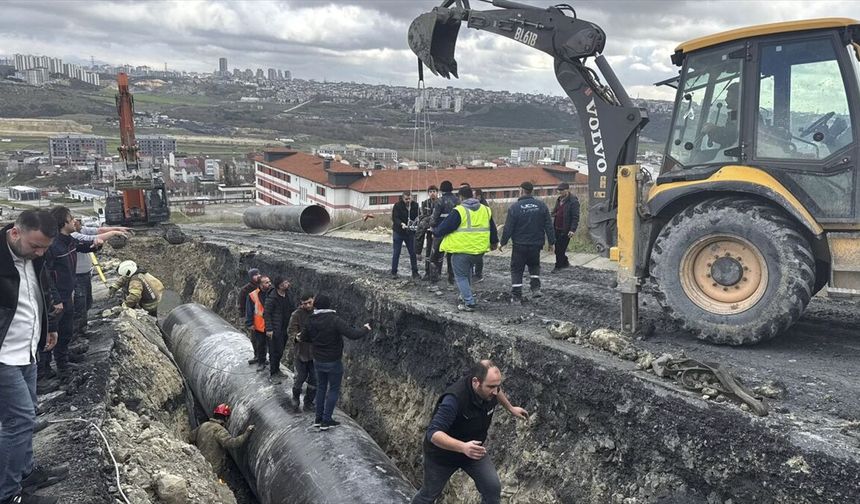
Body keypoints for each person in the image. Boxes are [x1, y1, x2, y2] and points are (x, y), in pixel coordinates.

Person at [1, 209, 66, 504]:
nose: (40, 253)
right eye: (35, 246)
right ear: (16, 233)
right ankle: (8, 494)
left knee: (27, 416)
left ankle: (25, 473)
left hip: (28, 350)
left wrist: (48, 327)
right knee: (19, 420)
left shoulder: (33, 257)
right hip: (4, 357)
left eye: (44, 248)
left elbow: (38, 294)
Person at [411, 360, 528, 504]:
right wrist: (463, 447)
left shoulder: (491, 390)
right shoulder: (454, 399)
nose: (495, 391)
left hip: (473, 451)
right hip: (442, 456)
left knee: (492, 489)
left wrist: (510, 408)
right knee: (428, 495)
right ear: (476, 382)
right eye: (491, 386)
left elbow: (497, 391)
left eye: (498, 386)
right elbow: (433, 434)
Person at [43, 207, 97, 381]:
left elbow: (83, 247)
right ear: (63, 223)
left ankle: (63, 362)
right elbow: (46, 276)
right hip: (56, 299)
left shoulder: (68, 241)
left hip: (68, 294)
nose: (75, 221)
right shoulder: (53, 246)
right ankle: (44, 373)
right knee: (50, 334)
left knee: (66, 331)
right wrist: (56, 299)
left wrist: (96, 245)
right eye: (71, 218)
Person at [303, 295, 371, 430]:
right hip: (333, 361)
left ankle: (318, 419)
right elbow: (353, 334)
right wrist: (366, 328)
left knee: (321, 388)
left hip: (318, 360)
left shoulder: (310, 319)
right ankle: (327, 420)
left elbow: (305, 337)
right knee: (333, 389)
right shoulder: (334, 320)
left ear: (316, 305)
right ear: (329, 305)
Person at [435, 187, 499, 312]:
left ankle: (469, 302)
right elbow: (493, 228)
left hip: (462, 250)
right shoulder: (485, 210)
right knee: (467, 272)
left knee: (460, 276)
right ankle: (465, 296)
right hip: (479, 250)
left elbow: (444, 228)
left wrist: (435, 232)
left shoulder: (459, 211)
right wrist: (494, 242)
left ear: (461, 197)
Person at [71, 219, 130, 339]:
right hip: (76, 276)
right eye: (72, 220)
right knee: (80, 305)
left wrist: (117, 229)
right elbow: (96, 237)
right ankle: (76, 336)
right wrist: (113, 233)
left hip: (85, 274)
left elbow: (99, 230)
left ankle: (82, 329)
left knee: (87, 303)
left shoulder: (80, 229)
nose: (77, 220)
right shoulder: (73, 235)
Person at [499, 181, 555, 304]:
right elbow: (548, 225)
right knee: (534, 265)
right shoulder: (541, 206)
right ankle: (535, 289)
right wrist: (551, 242)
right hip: (536, 244)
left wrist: (502, 242)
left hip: (520, 244)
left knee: (517, 269)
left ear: (521, 190)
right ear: (531, 191)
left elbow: (509, 227)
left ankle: (517, 296)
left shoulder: (514, 208)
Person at [189, 403, 255, 477]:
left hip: (199, 463)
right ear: (226, 418)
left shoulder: (203, 425)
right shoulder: (220, 430)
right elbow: (233, 443)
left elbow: (191, 437)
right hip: (212, 468)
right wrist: (247, 433)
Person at [287, 292, 317, 412]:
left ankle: (308, 402)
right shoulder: (296, 315)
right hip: (301, 353)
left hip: (315, 354)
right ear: (301, 303)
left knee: (314, 379)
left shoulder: (317, 313)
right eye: (305, 304)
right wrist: (297, 337)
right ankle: (295, 398)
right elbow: (291, 332)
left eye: (310, 302)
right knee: (300, 377)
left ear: (313, 300)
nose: (308, 305)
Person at [429, 181, 459, 287]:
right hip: (454, 233)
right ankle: (451, 280)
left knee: (434, 257)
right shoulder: (457, 200)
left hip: (440, 231)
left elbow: (434, 218)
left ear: (441, 190)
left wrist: (432, 228)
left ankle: (434, 280)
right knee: (451, 256)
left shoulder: (439, 201)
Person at [263, 275, 292, 382]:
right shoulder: (272, 298)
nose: (288, 284)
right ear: (280, 286)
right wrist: (269, 329)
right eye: (285, 282)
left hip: (284, 328)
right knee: (274, 351)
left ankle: (277, 369)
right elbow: (266, 314)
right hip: (274, 329)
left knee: (280, 351)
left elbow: (291, 307)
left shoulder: (288, 294)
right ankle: (273, 372)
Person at [551, 182, 580, 273]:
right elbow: (556, 210)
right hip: (556, 227)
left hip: (566, 229)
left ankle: (558, 266)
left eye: (562, 190)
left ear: (567, 190)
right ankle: (565, 262)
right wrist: (553, 214)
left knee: (561, 249)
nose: (560, 192)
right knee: (558, 248)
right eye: (559, 190)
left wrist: (572, 229)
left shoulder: (573, 201)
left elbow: (575, 217)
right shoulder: (559, 199)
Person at [391, 191, 420, 279]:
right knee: (397, 252)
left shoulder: (416, 205)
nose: (408, 201)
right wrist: (401, 224)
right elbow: (395, 218)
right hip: (398, 231)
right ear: (403, 198)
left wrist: (416, 224)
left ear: (412, 198)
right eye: (406, 199)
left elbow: (419, 216)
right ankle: (394, 272)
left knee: (413, 252)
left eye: (409, 199)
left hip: (410, 232)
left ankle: (415, 272)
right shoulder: (397, 205)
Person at [245, 275, 272, 369]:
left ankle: (267, 360)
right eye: (266, 282)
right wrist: (250, 323)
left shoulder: (272, 293)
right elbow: (249, 310)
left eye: (269, 282)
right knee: (260, 344)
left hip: (271, 325)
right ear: (260, 284)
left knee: (271, 345)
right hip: (259, 325)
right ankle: (261, 362)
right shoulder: (253, 295)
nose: (269, 284)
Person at [415, 185, 439, 278]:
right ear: (428, 193)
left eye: (434, 191)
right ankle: (427, 272)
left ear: (437, 192)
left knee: (438, 253)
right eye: (430, 191)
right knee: (428, 251)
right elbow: (424, 216)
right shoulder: (425, 203)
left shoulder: (440, 202)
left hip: (438, 231)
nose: (432, 193)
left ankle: (437, 273)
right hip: (429, 231)